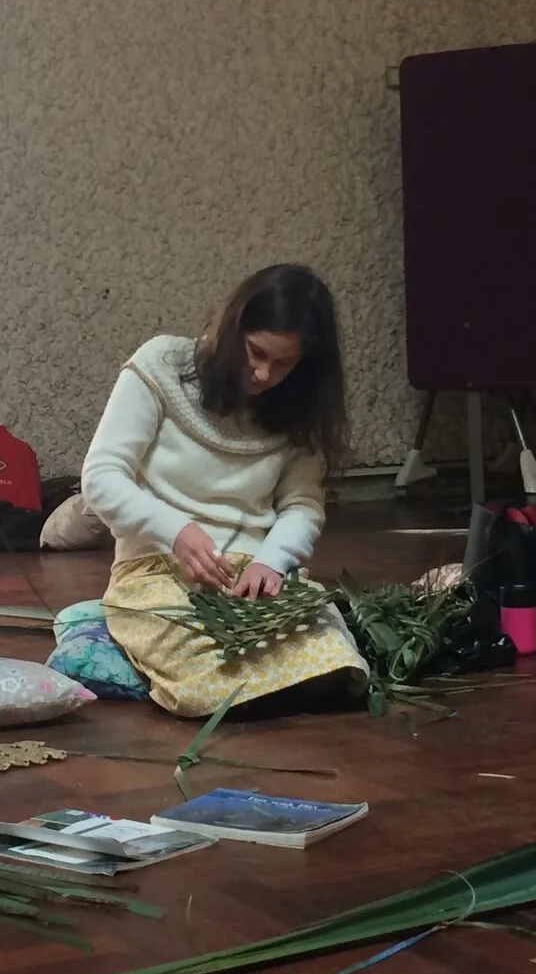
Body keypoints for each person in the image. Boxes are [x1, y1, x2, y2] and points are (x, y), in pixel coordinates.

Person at [81, 263, 365, 717]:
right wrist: (174, 530)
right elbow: (102, 476)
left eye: (283, 364)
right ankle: (258, 690)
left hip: (250, 577)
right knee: (207, 679)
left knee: (340, 665)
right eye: (255, 352)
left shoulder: (297, 409)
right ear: (234, 328)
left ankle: (274, 688)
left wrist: (273, 560)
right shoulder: (161, 364)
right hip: (156, 568)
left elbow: (302, 506)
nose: (262, 374)